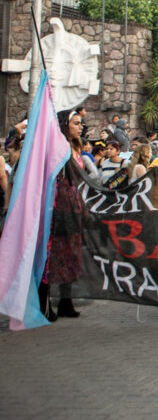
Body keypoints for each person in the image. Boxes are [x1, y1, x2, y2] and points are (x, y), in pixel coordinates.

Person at [43, 110, 89, 320]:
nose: (81, 127)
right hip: (57, 206)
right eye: (76, 123)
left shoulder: (75, 149)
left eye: (81, 123)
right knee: (51, 253)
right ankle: (44, 301)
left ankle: (65, 301)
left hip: (72, 205)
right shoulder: (56, 149)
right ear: (65, 125)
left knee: (70, 253)